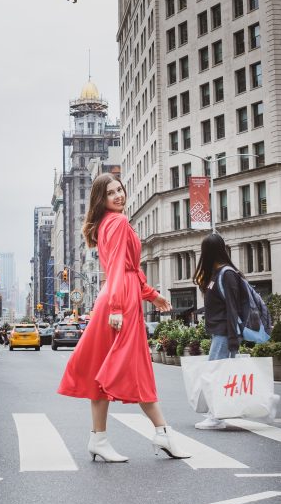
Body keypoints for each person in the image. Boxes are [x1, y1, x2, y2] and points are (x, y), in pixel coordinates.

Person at [58, 173, 189, 462]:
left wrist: (151, 294)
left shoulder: (108, 221)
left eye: (120, 189)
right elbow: (117, 267)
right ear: (101, 200)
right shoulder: (117, 222)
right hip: (120, 300)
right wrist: (118, 307)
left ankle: (99, 438)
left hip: (119, 295)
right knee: (135, 367)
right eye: (111, 193)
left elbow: (126, 269)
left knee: (101, 369)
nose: (118, 195)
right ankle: (162, 433)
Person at [191, 232, 248, 430]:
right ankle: (215, 415)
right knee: (216, 373)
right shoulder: (217, 274)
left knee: (214, 374)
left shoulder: (227, 274)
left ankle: (216, 417)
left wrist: (233, 337)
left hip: (225, 333)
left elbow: (233, 308)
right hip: (220, 333)